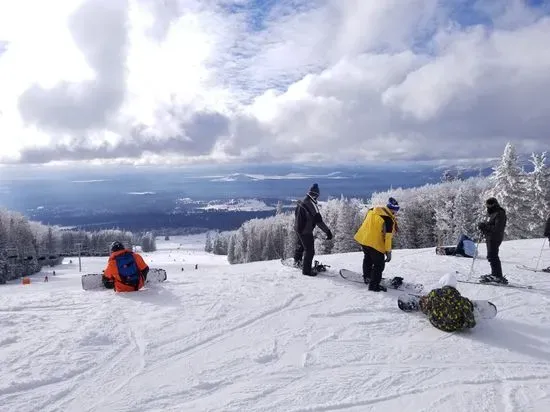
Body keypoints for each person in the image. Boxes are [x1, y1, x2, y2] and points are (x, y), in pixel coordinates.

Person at [353, 197, 399, 292]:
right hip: (375, 243)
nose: (396, 212)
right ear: (392, 209)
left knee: (368, 259)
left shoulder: (372, 210)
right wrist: (388, 252)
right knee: (379, 265)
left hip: (363, 239)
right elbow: (388, 238)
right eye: (395, 210)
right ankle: (374, 286)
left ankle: (367, 277)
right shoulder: (388, 220)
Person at [293, 183, 333, 276]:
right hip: (306, 231)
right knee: (310, 250)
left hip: (297, 228)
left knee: (301, 246)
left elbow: (296, 214)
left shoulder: (301, 201)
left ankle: (297, 261)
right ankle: (306, 271)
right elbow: (319, 221)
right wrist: (328, 232)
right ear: (316, 195)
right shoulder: (311, 205)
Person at [477, 197, 508, 284]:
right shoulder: (492, 213)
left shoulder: (499, 213)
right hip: (490, 237)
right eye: (487, 205)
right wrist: (483, 226)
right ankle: (495, 274)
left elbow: (497, 228)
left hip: (495, 237)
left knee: (493, 256)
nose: (488, 207)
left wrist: (484, 226)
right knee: (491, 256)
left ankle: (497, 276)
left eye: (489, 204)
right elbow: (490, 225)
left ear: (494, 204)